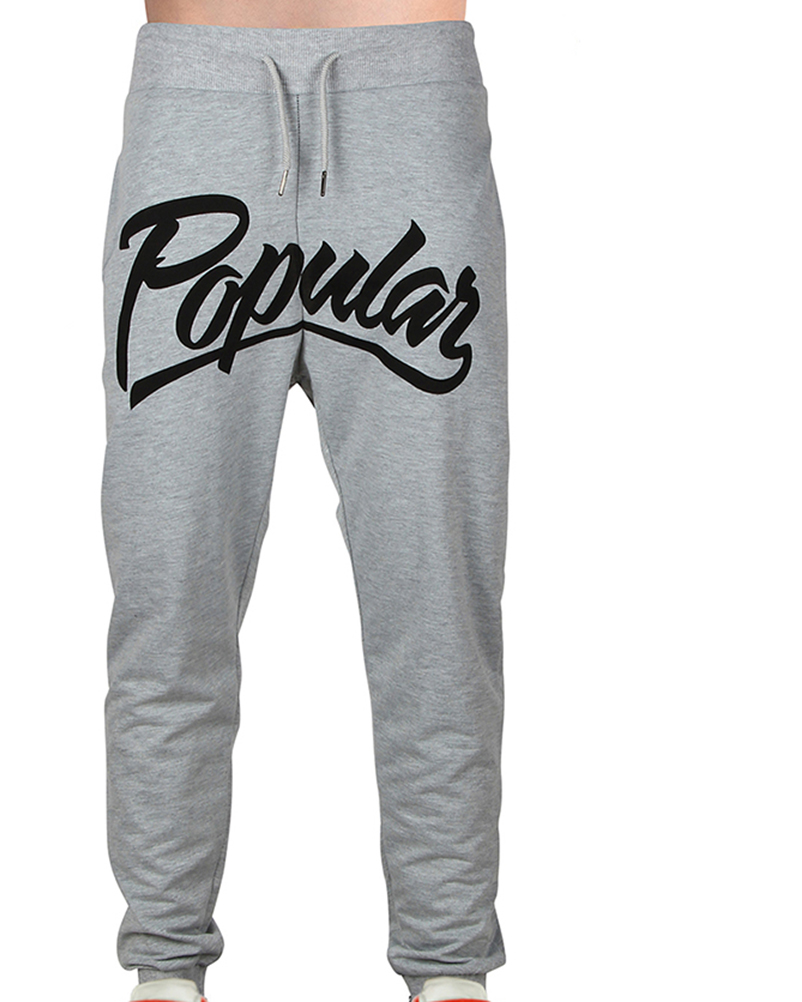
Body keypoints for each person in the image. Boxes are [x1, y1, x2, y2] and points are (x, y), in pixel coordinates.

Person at [99, 0, 508, 1000]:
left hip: (412, 122)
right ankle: (164, 965)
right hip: (194, 129)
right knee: (170, 587)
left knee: (438, 595)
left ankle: (451, 967)